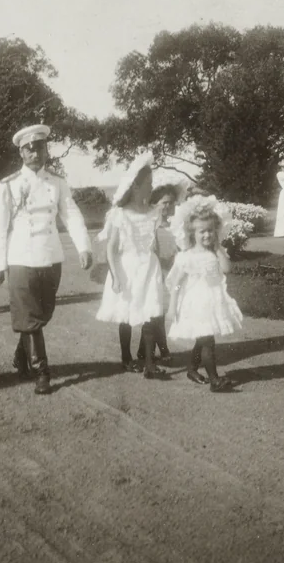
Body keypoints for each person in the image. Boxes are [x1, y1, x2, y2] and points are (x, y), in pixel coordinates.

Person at [0, 124, 93, 395]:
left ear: (46, 150)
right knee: (31, 316)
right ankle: (42, 371)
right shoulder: (8, 185)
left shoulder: (57, 183)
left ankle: (21, 356)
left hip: (50, 256)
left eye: (39, 148)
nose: (35, 153)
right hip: (21, 258)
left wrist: (84, 247)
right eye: (29, 149)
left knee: (41, 315)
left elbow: (71, 214)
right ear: (21, 153)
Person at [94, 153, 168, 378]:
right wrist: (115, 276)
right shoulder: (121, 214)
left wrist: (160, 269)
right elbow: (111, 248)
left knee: (151, 312)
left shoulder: (154, 213)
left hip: (149, 267)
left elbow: (155, 244)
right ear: (135, 186)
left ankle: (149, 364)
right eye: (148, 183)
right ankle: (126, 358)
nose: (152, 187)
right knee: (125, 313)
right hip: (127, 267)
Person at [166, 195, 242, 393]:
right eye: (202, 232)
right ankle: (215, 380)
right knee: (207, 340)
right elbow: (176, 284)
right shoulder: (187, 256)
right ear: (192, 233)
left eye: (210, 230)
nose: (207, 235)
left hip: (213, 301)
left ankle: (192, 369)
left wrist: (218, 249)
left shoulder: (215, 251)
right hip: (196, 303)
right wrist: (172, 306)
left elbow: (227, 269)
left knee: (203, 339)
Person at [136, 181, 182, 366]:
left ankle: (143, 351)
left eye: (171, 202)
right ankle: (162, 349)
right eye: (164, 203)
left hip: (172, 273)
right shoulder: (151, 227)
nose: (168, 206)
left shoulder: (176, 225)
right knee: (156, 313)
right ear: (155, 204)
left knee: (160, 312)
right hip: (155, 273)